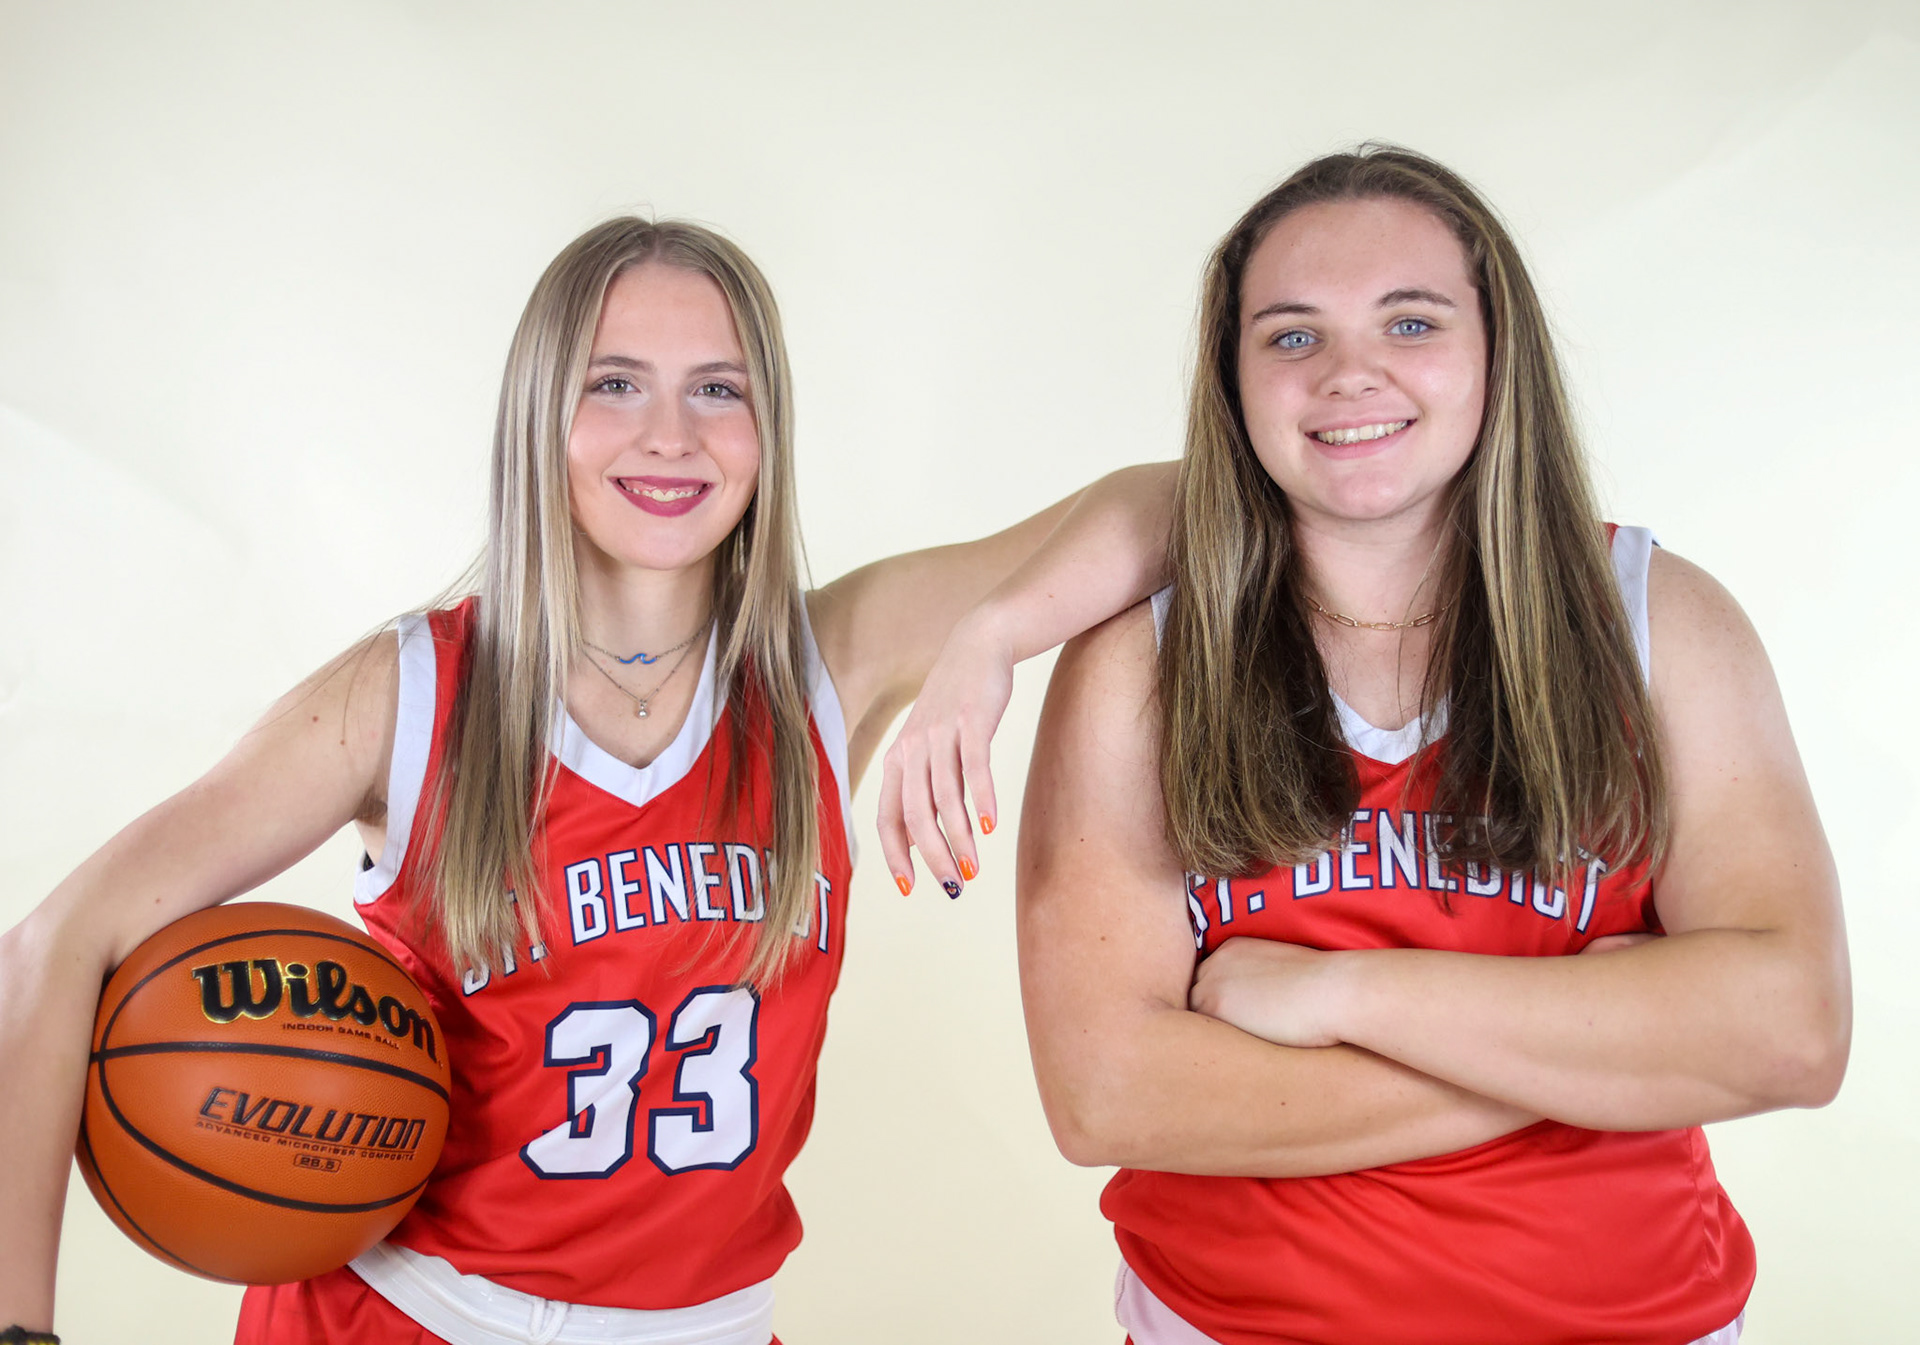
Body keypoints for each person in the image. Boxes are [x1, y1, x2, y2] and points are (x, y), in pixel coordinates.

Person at [0, 217, 1174, 1345]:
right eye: (615, 384)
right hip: (408, 1317)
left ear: (768, 430)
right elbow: (55, 944)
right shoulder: (407, 695)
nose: (671, 434)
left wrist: (989, 638)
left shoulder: (829, 663)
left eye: (719, 388)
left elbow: (1178, 499)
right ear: (539, 419)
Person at [1000, 148, 1850, 1344]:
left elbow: (1789, 1030)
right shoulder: (1141, 664)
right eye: (1292, 336)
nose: (1352, 373)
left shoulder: (1661, 623)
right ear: (1233, 381)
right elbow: (1109, 1093)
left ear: (1498, 350)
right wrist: (1598, 1038)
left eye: (1411, 320)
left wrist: (1344, 991)